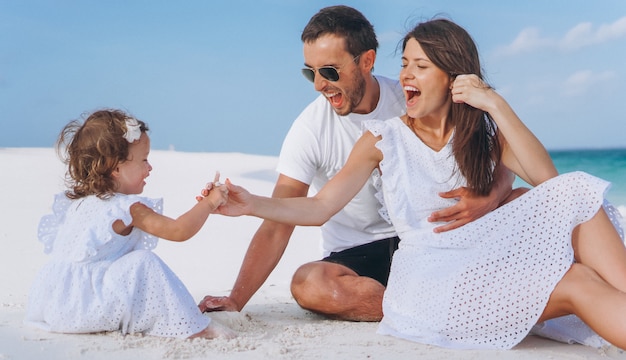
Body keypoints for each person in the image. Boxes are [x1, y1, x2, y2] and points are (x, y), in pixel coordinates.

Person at [210, 18, 626, 350]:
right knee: (577, 282)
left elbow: (550, 184)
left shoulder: (481, 132)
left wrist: (495, 104)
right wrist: (251, 203)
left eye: (420, 66)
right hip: (427, 281)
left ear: (453, 78)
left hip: (478, 259)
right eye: (405, 64)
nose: (406, 74)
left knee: (578, 192)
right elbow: (319, 207)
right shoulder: (381, 137)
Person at [198, 5, 514, 322]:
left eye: (330, 71)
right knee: (310, 284)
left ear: (367, 61)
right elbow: (281, 222)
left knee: (526, 202)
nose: (319, 84)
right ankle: (439, 308)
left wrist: (492, 194)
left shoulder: (413, 98)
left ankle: (439, 303)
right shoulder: (309, 129)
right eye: (310, 72)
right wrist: (236, 299)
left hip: (427, 239)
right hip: (358, 254)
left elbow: (497, 142)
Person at [24, 109, 234, 340]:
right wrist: (209, 203)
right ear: (115, 168)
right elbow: (178, 231)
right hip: (87, 308)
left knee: (120, 266)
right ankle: (193, 326)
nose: (150, 168)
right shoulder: (127, 208)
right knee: (144, 262)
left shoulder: (80, 204)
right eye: (144, 160)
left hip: (55, 305)